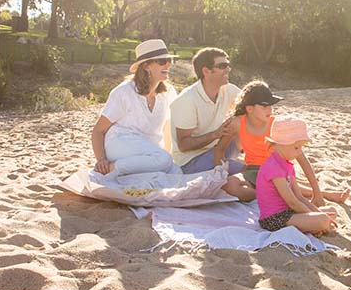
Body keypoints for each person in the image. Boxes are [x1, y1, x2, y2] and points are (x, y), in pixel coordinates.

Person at [218, 81, 349, 205]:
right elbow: (220, 149)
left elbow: (301, 158)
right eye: (264, 106)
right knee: (230, 185)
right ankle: (272, 194)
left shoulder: (277, 125)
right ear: (249, 108)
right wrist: (218, 172)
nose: (269, 110)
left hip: (277, 171)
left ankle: (324, 193)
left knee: (282, 184)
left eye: (270, 105)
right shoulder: (236, 123)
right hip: (252, 171)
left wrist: (317, 193)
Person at [169, 47, 255, 200]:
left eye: (228, 65)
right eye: (222, 66)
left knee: (245, 119)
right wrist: (216, 134)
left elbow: (251, 105)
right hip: (190, 162)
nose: (228, 69)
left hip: (217, 150)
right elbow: (183, 145)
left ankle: (258, 165)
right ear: (206, 71)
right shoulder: (187, 100)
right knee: (254, 172)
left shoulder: (227, 90)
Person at [91, 39, 180, 177]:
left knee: (175, 171)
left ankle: (131, 170)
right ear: (146, 66)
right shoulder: (123, 92)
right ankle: (112, 168)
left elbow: (167, 128)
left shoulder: (169, 92)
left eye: (169, 60)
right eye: (162, 61)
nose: (168, 64)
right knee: (163, 160)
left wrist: (166, 158)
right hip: (120, 142)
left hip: (150, 152)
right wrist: (101, 160)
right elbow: (98, 131)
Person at [256, 117, 342, 236]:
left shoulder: (288, 165)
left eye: (301, 147)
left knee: (331, 211)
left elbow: (299, 197)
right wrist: (315, 216)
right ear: (281, 144)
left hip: (289, 212)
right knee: (322, 220)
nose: (299, 152)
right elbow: (292, 202)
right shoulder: (273, 167)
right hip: (274, 219)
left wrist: (316, 213)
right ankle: (315, 227)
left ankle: (314, 226)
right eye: (296, 147)